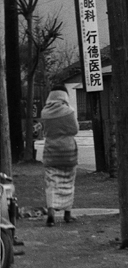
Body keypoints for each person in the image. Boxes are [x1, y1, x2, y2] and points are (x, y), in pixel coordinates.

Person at [40, 85, 79, 227]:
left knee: (51, 181)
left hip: (51, 150)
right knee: (69, 181)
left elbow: (45, 131)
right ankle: (67, 214)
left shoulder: (44, 112)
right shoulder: (69, 111)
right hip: (68, 150)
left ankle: (51, 211)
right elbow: (75, 129)